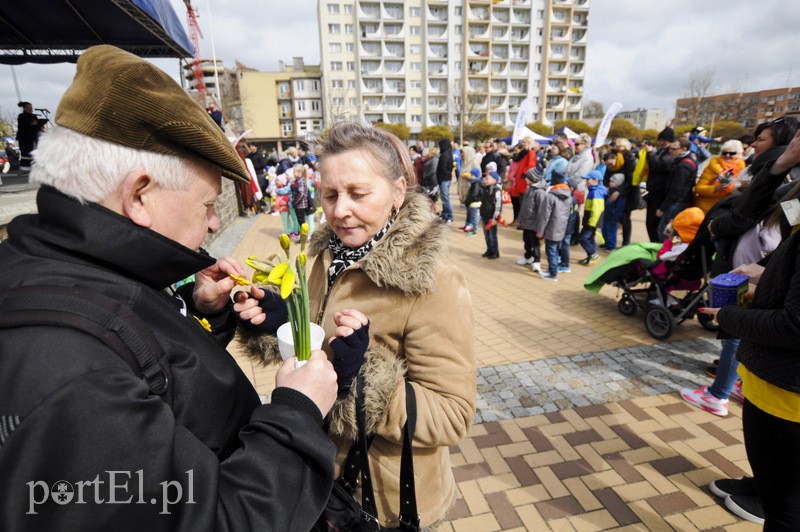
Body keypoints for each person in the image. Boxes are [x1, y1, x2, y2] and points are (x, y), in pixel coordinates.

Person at [0, 45, 338, 531]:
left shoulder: (62, 264)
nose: (212, 223)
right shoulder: (69, 370)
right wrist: (299, 412)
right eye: (206, 204)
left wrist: (199, 312)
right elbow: (213, 521)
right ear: (139, 195)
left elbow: (145, 359)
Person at [236, 122, 476, 529]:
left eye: (358, 194)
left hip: (383, 500)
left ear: (398, 192)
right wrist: (285, 326)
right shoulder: (326, 255)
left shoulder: (432, 280)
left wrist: (358, 378)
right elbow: (317, 347)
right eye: (329, 194)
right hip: (320, 474)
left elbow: (452, 415)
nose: (340, 210)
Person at [699, 131, 800, 529]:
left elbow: (795, 324)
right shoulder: (789, 185)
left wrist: (727, 318)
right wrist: (772, 276)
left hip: (786, 396)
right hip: (776, 388)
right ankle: (765, 488)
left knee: (786, 510)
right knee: (779, 485)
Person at [656, 138, 697, 241]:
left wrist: (663, 208)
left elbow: (676, 189)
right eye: (670, 148)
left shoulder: (684, 165)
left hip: (677, 202)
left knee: (665, 232)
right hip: (679, 201)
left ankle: (663, 255)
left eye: (674, 149)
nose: (670, 151)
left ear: (684, 149)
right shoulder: (686, 161)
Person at [534, 173, 572, 282]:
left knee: (551, 251)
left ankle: (553, 274)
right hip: (561, 228)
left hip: (551, 228)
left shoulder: (550, 196)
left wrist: (540, 231)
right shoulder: (569, 196)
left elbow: (544, 216)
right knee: (555, 250)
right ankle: (551, 270)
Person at [694, 140, 746, 213]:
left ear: (738, 154)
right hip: (707, 208)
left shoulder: (742, 168)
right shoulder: (713, 166)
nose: (727, 155)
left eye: (732, 153)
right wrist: (715, 189)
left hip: (727, 208)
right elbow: (698, 189)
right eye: (724, 153)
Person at [644, 127, 676, 242]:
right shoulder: (661, 151)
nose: (662, 142)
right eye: (660, 140)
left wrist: (650, 153)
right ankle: (653, 244)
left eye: (665, 140)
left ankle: (656, 246)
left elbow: (659, 165)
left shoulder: (670, 153)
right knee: (650, 222)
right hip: (654, 191)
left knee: (654, 223)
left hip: (661, 193)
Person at [516, 166, 548, 272]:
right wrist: (520, 219)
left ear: (533, 179)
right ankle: (527, 256)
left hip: (534, 224)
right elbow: (524, 205)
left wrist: (540, 227)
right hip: (526, 222)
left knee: (535, 244)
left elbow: (542, 211)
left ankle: (536, 261)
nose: (525, 179)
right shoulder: (529, 189)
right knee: (526, 241)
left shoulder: (540, 192)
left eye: (527, 177)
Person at [578, 170, 607, 265]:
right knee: (590, 238)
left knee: (583, 238)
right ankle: (591, 256)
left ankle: (593, 254)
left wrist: (592, 222)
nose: (586, 182)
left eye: (588, 179)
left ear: (596, 180)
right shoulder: (594, 191)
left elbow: (597, 209)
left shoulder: (596, 193)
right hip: (591, 220)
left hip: (592, 221)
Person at [509, 137, 537, 225]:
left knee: (524, 202)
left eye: (524, 142)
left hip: (524, 180)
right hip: (520, 180)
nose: (523, 144)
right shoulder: (525, 153)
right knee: (521, 202)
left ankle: (523, 222)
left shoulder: (530, 152)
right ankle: (521, 221)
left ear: (529, 142)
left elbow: (531, 165)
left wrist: (524, 174)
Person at [480, 166, 504, 259]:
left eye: (487, 179)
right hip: (484, 215)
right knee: (486, 235)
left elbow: (498, 205)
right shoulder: (485, 189)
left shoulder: (496, 191)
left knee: (492, 236)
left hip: (492, 217)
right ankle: (489, 249)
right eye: (485, 178)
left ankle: (495, 252)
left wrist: (495, 218)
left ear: (494, 180)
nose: (485, 180)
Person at [16, 101, 46, 167]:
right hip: (25, 138)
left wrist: (40, 125)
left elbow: (37, 125)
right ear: (24, 108)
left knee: (34, 151)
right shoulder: (21, 116)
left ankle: (35, 165)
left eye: (31, 107)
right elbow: (23, 127)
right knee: (26, 152)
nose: (30, 109)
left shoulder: (34, 116)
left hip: (34, 137)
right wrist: (32, 124)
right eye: (29, 107)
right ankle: (26, 166)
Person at [436, 137, 454, 222]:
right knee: (444, 197)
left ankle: (449, 215)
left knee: (445, 197)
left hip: (444, 179)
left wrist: (439, 178)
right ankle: (445, 214)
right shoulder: (449, 153)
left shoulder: (444, 155)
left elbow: (443, 169)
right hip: (446, 178)